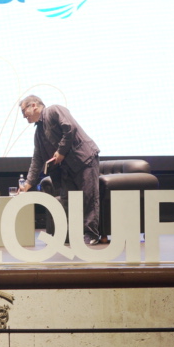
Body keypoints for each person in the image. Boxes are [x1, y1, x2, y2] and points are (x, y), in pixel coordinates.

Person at [18, 95, 104, 244]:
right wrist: (28, 184)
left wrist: (61, 151)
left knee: (89, 198)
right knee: (68, 200)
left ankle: (91, 235)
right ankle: (74, 234)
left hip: (84, 160)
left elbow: (69, 128)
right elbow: (37, 159)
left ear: (33, 105)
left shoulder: (54, 110)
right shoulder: (38, 132)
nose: (23, 116)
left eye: (23, 111)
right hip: (67, 169)